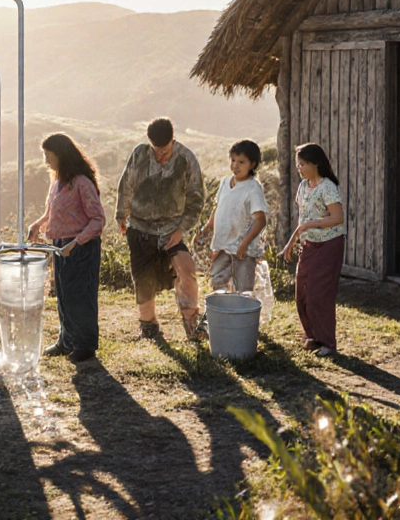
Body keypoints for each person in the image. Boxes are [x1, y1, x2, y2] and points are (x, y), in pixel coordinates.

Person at [115, 117, 206, 340]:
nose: (160, 156)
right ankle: (148, 325)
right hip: (140, 226)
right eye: (156, 150)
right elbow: (126, 184)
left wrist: (182, 229)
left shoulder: (186, 158)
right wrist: (121, 214)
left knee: (186, 270)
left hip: (171, 228)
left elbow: (196, 198)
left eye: (164, 151)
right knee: (143, 276)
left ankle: (192, 324)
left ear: (173, 141)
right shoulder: (140, 153)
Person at [28, 133, 106, 364]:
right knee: (64, 295)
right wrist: (38, 224)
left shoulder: (81, 182)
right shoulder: (57, 181)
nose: (45, 161)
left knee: (81, 296)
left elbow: (98, 219)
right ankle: (67, 340)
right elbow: (51, 213)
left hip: (81, 246)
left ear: (61, 155)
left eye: (48, 155)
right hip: (61, 246)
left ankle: (85, 345)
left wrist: (77, 242)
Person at [281, 143, 345, 357]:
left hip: (329, 245)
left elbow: (337, 218)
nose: (299, 167)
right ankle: (312, 336)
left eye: (303, 164)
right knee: (302, 292)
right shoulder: (302, 187)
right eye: (298, 164)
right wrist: (291, 243)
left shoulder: (327, 187)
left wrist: (311, 225)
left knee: (320, 293)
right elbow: (302, 221)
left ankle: (328, 342)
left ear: (315, 163)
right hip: (308, 244)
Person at [200, 140, 269, 296]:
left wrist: (244, 243)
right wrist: (208, 226)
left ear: (252, 164)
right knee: (218, 281)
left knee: (243, 289)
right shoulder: (225, 182)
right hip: (223, 244)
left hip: (242, 248)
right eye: (233, 160)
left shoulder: (253, 188)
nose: (235, 166)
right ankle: (223, 315)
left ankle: (243, 318)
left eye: (241, 162)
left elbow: (260, 220)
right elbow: (218, 207)